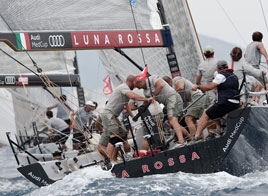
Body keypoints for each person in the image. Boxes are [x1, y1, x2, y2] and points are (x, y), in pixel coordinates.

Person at [98, 75, 150, 161]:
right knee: (114, 136)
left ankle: (118, 158)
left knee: (123, 135)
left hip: (113, 116)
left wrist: (133, 117)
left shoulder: (125, 91)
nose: (136, 86)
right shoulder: (123, 87)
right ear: (132, 82)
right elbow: (132, 96)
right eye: (136, 84)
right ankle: (110, 160)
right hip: (108, 114)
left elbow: (126, 106)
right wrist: (146, 99)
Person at [135, 74, 191, 147]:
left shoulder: (152, 78)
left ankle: (181, 142)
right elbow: (147, 101)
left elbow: (160, 85)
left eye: (137, 85)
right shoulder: (145, 92)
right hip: (167, 103)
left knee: (172, 120)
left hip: (172, 97)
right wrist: (138, 114)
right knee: (173, 122)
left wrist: (153, 96)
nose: (137, 87)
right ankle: (190, 138)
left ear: (141, 82)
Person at [192, 60, 240, 141]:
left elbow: (210, 87)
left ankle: (196, 137)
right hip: (235, 103)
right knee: (211, 107)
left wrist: (198, 87)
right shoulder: (234, 76)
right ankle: (220, 129)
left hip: (226, 103)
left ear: (218, 68)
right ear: (227, 67)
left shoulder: (220, 76)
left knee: (206, 114)